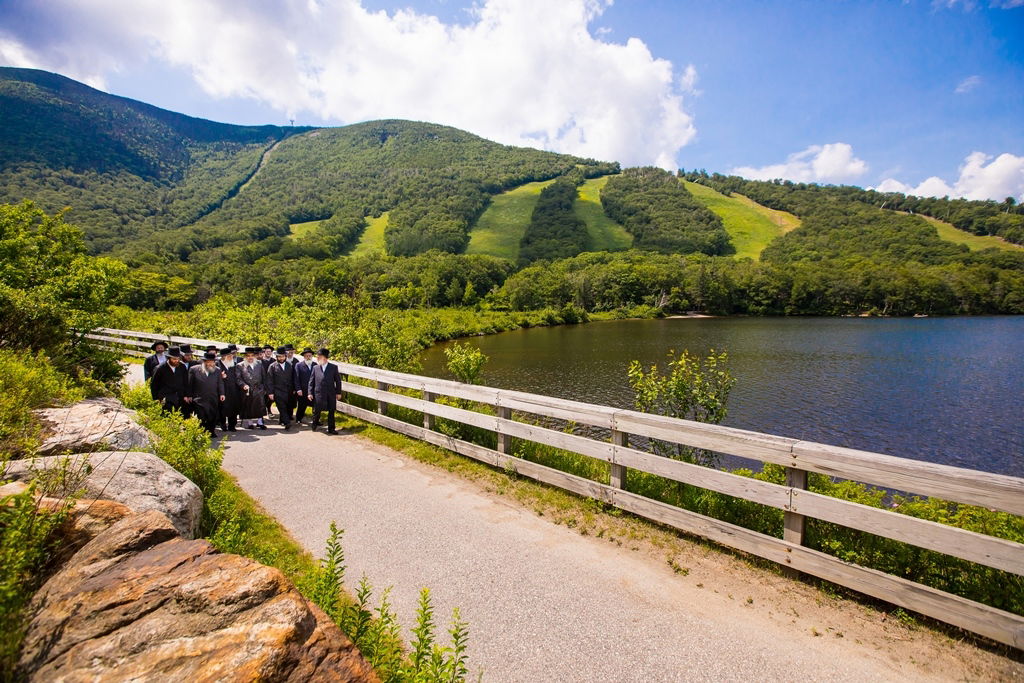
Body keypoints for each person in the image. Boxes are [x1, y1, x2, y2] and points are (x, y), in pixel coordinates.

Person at [188, 351, 225, 437]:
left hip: (213, 396)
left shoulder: (217, 370)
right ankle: (201, 432)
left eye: (212, 362)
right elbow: (190, 384)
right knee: (201, 416)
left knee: (212, 414)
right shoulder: (194, 369)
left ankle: (211, 431)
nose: (210, 364)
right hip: (199, 397)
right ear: (204, 362)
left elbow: (220, 383)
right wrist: (189, 395)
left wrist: (222, 394)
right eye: (208, 362)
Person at [308, 348, 341, 434]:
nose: (318, 358)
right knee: (317, 411)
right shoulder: (315, 368)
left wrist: (338, 392)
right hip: (318, 393)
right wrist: (310, 393)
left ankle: (331, 428)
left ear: (325, 358)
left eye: (320, 356)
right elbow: (311, 382)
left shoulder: (333, 367)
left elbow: (338, 381)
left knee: (331, 411)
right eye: (317, 356)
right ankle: (314, 424)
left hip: (330, 393)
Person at [236, 347, 268, 430]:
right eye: (248, 356)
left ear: (254, 356)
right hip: (248, 389)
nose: (250, 357)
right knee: (249, 406)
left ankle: (260, 422)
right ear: (245, 357)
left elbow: (264, 376)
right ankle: (250, 423)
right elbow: (238, 378)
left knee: (260, 406)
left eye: (252, 355)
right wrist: (243, 385)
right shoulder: (240, 365)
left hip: (259, 388)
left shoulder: (259, 363)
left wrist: (264, 387)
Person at [150, 346, 188, 414]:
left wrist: (186, 395)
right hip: (166, 398)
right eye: (174, 359)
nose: (177, 361)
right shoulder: (160, 368)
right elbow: (154, 385)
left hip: (179, 398)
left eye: (178, 359)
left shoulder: (182, 367)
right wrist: (156, 399)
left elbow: (186, 382)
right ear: (169, 358)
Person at [267, 346, 296, 430]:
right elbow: (269, 380)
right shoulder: (272, 366)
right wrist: (270, 392)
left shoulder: (289, 365)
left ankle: (282, 420)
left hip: (289, 391)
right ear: (276, 357)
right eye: (279, 356)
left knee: (287, 407)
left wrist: (294, 389)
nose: (281, 358)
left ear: (285, 356)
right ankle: (287, 423)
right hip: (277, 391)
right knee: (281, 406)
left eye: (282, 356)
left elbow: (293, 378)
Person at [217, 347, 240, 432]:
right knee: (222, 408)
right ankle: (223, 424)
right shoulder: (217, 364)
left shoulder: (233, 364)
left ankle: (232, 425)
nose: (231, 356)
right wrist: (221, 377)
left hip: (233, 390)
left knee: (233, 408)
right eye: (229, 355)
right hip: (222, 390)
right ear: (224, 356)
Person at [293, 347, 316, 424]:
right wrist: (298, 389)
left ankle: (316, 420)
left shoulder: (315, 365)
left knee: (315, 405)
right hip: (302, 389)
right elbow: (296, 378)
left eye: (310, 355)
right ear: (304, 356)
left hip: (313, 389)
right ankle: (299, 418)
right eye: (307, 356)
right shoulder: (298, 365)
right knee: (302, 405)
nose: (308, 357)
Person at [179, 344, 196, 419]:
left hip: (193, 392)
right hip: (181, 393)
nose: (189, 356)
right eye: (187, 355)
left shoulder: (194, 364)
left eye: (190, 354)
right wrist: (185, 395)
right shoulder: (177, 365)